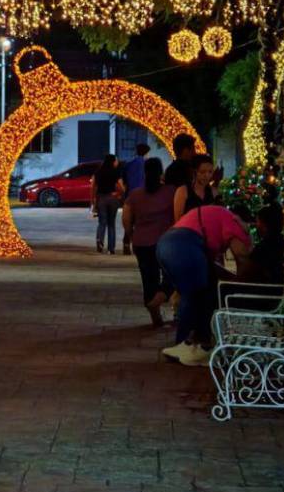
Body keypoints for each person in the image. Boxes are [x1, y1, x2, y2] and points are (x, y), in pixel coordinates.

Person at [157, 203, 253, 366]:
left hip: (165, 244)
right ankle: (192, 346)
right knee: (196, 294)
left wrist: (227, 278)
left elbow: (213, 268)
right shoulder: (235, 223)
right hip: (185, 245)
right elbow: (241, 257)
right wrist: (242, 282)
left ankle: (190, 344)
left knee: (198, 291)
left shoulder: (218, 215)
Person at [121, 157, 175, 326]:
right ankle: (158, 300)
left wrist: (130, 235)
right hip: (165, 242)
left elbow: (126, 218)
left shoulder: (135, 194)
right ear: (161, 172)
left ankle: (155, 316)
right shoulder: (171, 191)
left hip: (141, 243)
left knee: (148, 279)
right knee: (172, 276)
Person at [90, 154, 125, 254]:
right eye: (116, 160)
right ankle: (111, 248)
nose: (117, 162)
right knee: (111, 224)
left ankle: (99, 241)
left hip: (101, 198)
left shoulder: (98, 172)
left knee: (102, 222)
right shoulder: (116, 172)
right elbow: (121, 187)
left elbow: (93, 187)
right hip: (113, 198)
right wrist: (119, 194)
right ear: (112, 161)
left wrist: (92, 200)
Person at [243, 204, 284, 285]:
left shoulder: (262, 248)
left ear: (264, 225)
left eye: (257, 221)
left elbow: (246, 274)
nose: (256, 225)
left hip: (263, 294)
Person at [172, 153, 217, 220]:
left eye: (210, 172)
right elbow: (178, 219)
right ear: (194, 172)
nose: (207, 176)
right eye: (202, 172)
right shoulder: (183, 191)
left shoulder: (213, 192)